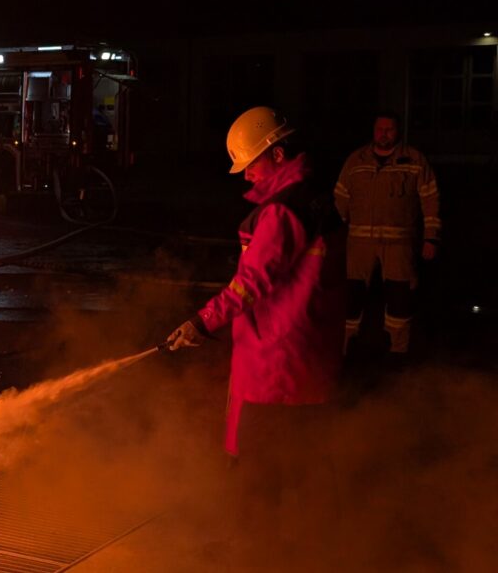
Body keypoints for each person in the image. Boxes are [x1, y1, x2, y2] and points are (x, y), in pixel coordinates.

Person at [165, 106, 346, 458]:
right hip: (308, 354)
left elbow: (250, 282)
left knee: (259, 472)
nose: (246, 176)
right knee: (305, 463)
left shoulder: (281, 212)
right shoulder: (316, 199)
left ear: (277, 154)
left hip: (275, 361)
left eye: (251, 164)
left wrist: (201, 322)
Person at [335, 113, 440, 356]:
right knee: (351, 299)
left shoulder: (414, 160)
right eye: (380, 129)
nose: (384, 134)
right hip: (358, 246)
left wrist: (431, 237)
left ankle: (398, 352)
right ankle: (345, 350)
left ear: (398, 131)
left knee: (400, 300)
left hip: (399, 246)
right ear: (373, 131)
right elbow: (341, 199)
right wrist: (334, 236)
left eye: (389, 129)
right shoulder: (355, 160)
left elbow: (431, 200)